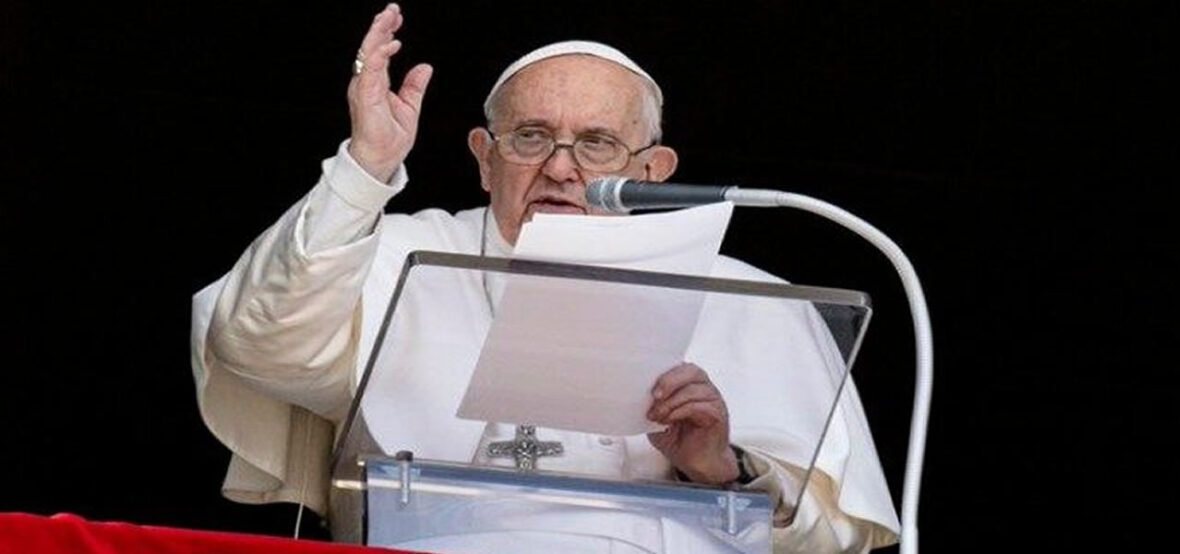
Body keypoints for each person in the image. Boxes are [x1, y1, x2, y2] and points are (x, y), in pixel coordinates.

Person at [189, 3, 900, 552]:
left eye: (597, 143)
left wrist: (723, 468)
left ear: (653, 171)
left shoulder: (752, 299)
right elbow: (255, 343)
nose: (560, 167)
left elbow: (835, 534)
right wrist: (366, 167)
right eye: (530, 137)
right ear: (484, 157)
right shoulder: (396, 253)